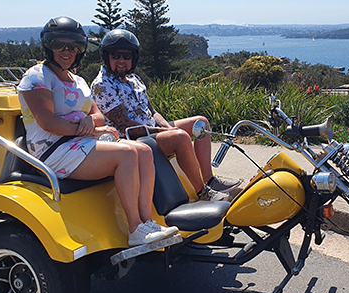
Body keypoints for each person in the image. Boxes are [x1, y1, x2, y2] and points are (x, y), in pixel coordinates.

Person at [17, 16, 177, 246]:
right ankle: (135, 228)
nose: (66, 51)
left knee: (143, 150)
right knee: (127, 154)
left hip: (78, 144)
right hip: (53, 149)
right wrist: (86, 129)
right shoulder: (37, 76)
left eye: (73, 46)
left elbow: (98, 115)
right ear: (48, 46)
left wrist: (90, 122)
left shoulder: (78, 80)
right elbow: (48, 122)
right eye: (59, 45)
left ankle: (147, 221)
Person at [91, 29, 240, 202]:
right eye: (116, 56)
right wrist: (165, 133)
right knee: (181, 138)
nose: (121, 61)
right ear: (106, 57)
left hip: (150, 131)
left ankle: (209, 179)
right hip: (130, 140)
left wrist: (167, 128)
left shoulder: (134, 79)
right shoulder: (102, 85)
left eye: (127, 56)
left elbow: (152, 111)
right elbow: (125, 125)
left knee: (200, 123)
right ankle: (202, 192)